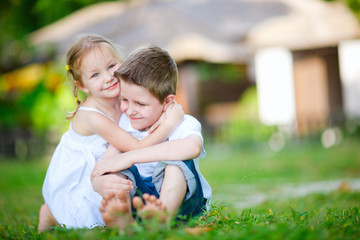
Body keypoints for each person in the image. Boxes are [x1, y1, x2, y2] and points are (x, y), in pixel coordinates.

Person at [38, 35, 184, 232]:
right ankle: (51, 214)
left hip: (111, 162)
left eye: (111, 66)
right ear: (82, 85)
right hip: (83, 175)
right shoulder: (92, 116)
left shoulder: (123, 97)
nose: (107, 77)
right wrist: (169, 123)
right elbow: (136, 146)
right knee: (94, 201)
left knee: (119, 184)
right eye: (95, 75)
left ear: (122, 63)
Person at [91, 45, 212, 230]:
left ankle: (162, 217)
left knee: (176, 163)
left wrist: (129, 156)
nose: (129, 110)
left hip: (183, 205)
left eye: (140, 103)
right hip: (139, 199)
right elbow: (106, 164)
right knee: (117, 171)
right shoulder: (126, 123)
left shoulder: (184, 123)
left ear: (167, 101)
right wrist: (101, 181)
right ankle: (125, 218)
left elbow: (192, 148)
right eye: (124, 100)